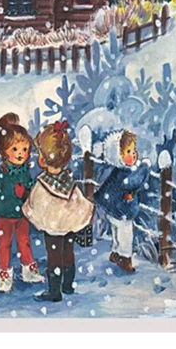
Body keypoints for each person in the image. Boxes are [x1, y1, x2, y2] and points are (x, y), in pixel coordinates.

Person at [22, 120, 94, 303]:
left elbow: (35, 203)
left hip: (53, 228)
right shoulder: (68, 180)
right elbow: (79, 202)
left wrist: (28, 208)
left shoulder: (43, 184)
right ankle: (67, 285)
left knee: (54, 257)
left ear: (43, 159)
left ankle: (55, 291)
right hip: (68, 226)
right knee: (68, 253)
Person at [0, 112, 44, 293]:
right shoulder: (2, 174)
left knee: (24, 241)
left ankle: (28, 270)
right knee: (4, 244)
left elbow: (30, 189)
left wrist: (32, 197)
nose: (20, 154)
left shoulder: (25, 172)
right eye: (15, 149)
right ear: (4, 152)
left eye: (24, 149)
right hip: (5, 216)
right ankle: (4, 275)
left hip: (22, 215)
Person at [95, 130, 150, 272]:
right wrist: (145, 167)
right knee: (125, 234)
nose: (134, 154)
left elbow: (107, 188)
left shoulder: (117, 171)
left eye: (133, 150)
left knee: (116, 232)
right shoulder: (125, 174)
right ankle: (125, 258)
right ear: (118, 156)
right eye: (129, 152)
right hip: (122, 211)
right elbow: (136, 181)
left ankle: (115, 252)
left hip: (114, 210)